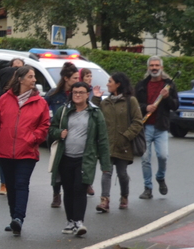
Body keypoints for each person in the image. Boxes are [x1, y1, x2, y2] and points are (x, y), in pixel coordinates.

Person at [0, 66, 51, 236]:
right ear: (20, 79)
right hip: (5, 150)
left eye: (34, 76)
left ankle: (19, 218)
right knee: (11, 186)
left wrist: (32, 138)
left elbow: (44, 126)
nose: (34, 80)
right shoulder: (5, 98)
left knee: (21, 184)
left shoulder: (40, 102)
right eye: (30, 76)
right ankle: (14, 217)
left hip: (27, 151)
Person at [48, 81, 110, 237]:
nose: (77, 95)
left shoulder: (95, 113)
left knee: (80, 189)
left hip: (85, 158)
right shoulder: (63, 111)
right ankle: (70, 222)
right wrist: (59, 133)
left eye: (81, 92)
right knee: (68, 189)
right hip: (65, 157)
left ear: (87, 94)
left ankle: (79, 222)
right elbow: (51, 129)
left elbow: (102, 139)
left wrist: (105, 164)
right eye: (75, 92)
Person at [93, 72, 143, 212]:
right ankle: (104, 201)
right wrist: (96, 98)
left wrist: (126, 137)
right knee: (106, 172)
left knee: (122, 174)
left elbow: (138, 122)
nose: (107, 84)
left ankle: (124, 196)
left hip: (124, 144)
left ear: (118, 84)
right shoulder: (105, 102)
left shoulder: (130, 101)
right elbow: (94, 116)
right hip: (107, 144)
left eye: (110, 81)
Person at [136, 56, 178, 199]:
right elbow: (135, 105)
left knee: (163, 156)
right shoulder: (141, 85)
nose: (154, 68)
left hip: (161, 127)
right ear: (148, 68)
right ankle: (147, 188)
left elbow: (175, 106)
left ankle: (160, 177)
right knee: (145, 159)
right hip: (145, 127)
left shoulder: (169, 85)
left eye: (157, 65)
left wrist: (167, 97)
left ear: (161, 68)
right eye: (152, 65)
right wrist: (146, 107)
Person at [46, 62, 80, 208]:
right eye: (74, 78)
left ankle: (71, 192)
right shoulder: (53, 94)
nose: (77, 80)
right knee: (57, 166)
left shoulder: (78, 94)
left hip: (74, 135)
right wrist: (48, 124)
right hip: (56, 135)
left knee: (71, 165)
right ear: (66, 78)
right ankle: (56, 194)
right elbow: (42, 108)